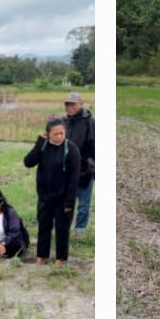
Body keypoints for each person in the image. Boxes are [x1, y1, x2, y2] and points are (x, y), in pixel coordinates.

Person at [23, 118, 81, 265]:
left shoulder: (71, 149)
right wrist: (38, 144)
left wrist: (69, 202)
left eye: (62, 133)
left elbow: (74, 179)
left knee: (62, 229)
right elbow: (28, 162)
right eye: (55, 134)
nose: (59, 136)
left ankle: (61, 258)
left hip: (63, 199)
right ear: (48, 134)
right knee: (43, 227)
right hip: (44, 197)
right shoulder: (43, 147)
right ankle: (42, 256)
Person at [62, 92, 95, 231]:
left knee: (83, 204)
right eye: (67, 104)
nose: (70, 107)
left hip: (84, 169)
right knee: (65, 201)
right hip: (66, 170)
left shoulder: (90, 122)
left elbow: (95, 146)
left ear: (81, 104)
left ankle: (80, 229)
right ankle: (64, 227)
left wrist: (93, 167)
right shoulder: (63, 122)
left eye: (73, 104)